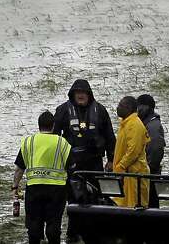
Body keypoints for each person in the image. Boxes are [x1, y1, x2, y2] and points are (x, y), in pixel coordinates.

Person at [55, 78, 116, 243]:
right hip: (72, 162)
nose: (81, 95)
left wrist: (111, 159)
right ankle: (73, 232)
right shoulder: (62, 110)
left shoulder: (101, 110)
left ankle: (94, 231)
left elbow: (110, 136)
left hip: (94, 161)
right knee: (74, 198)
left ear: (89, 94)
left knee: (96, 196)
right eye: (78, 93)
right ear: (73, 94)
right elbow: (54, 137)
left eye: (83, 93)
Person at [12, 110, 73, 244]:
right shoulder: (62, 143)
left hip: (34, 188)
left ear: (39, 125)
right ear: (53, 125)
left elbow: (19, 169)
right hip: (57, 190)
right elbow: (72, 167)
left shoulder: (29, 141)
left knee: (33, 223)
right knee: (54, 223)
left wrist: (15, 187)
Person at [111, 96, 150, 208]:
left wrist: (121, 165)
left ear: (128, 108)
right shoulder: (125, 124)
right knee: (123, 205)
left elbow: (133, 151)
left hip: (134, 175)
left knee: (134, 206)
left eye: (121, 106)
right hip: (125, 175)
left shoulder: (134, 124)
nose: (117, 108)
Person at [137, 94, 165, 207]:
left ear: (146, 107)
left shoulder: (152, 126)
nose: (137, 110)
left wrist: (148, 168)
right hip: (147, 173)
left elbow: (155, 149)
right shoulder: (148, 124)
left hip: (149, 175)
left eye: (139, 107)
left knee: (150, 205)